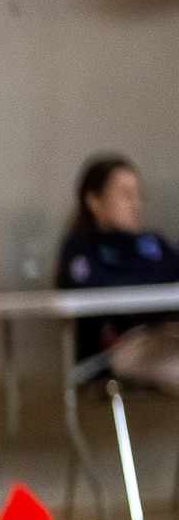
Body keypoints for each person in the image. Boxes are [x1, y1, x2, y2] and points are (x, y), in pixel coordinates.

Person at [56, 155, 179, 392]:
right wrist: (149, 282)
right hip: (117, 351)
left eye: (138, 194)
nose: (135, 203)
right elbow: (99, 291)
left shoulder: (153, 244)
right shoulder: (81, 249)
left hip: (166, 337)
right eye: (125, 194)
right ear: (94, 201)